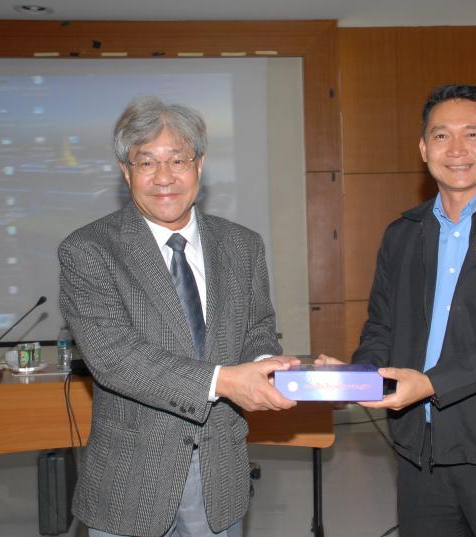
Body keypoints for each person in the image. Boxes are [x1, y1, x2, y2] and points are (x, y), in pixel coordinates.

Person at [320, 84, 476, 536]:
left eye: (472, 134)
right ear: (423, 149)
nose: (456, 149)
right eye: (441, 135)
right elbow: (382, 325)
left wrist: (430, 383)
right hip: (420, 451)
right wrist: (356, 377)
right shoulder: (403, 233)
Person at [58, 96, 297, 537]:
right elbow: (114, 358)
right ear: (125, 171)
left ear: (199, 165)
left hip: (220, 471)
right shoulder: (89, 250)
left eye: (177, 160)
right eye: (146, 162)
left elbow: (258, 327)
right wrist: (226, 381)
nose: (164, 177)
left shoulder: (242, 245)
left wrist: (265, 365)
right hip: (132, 479)